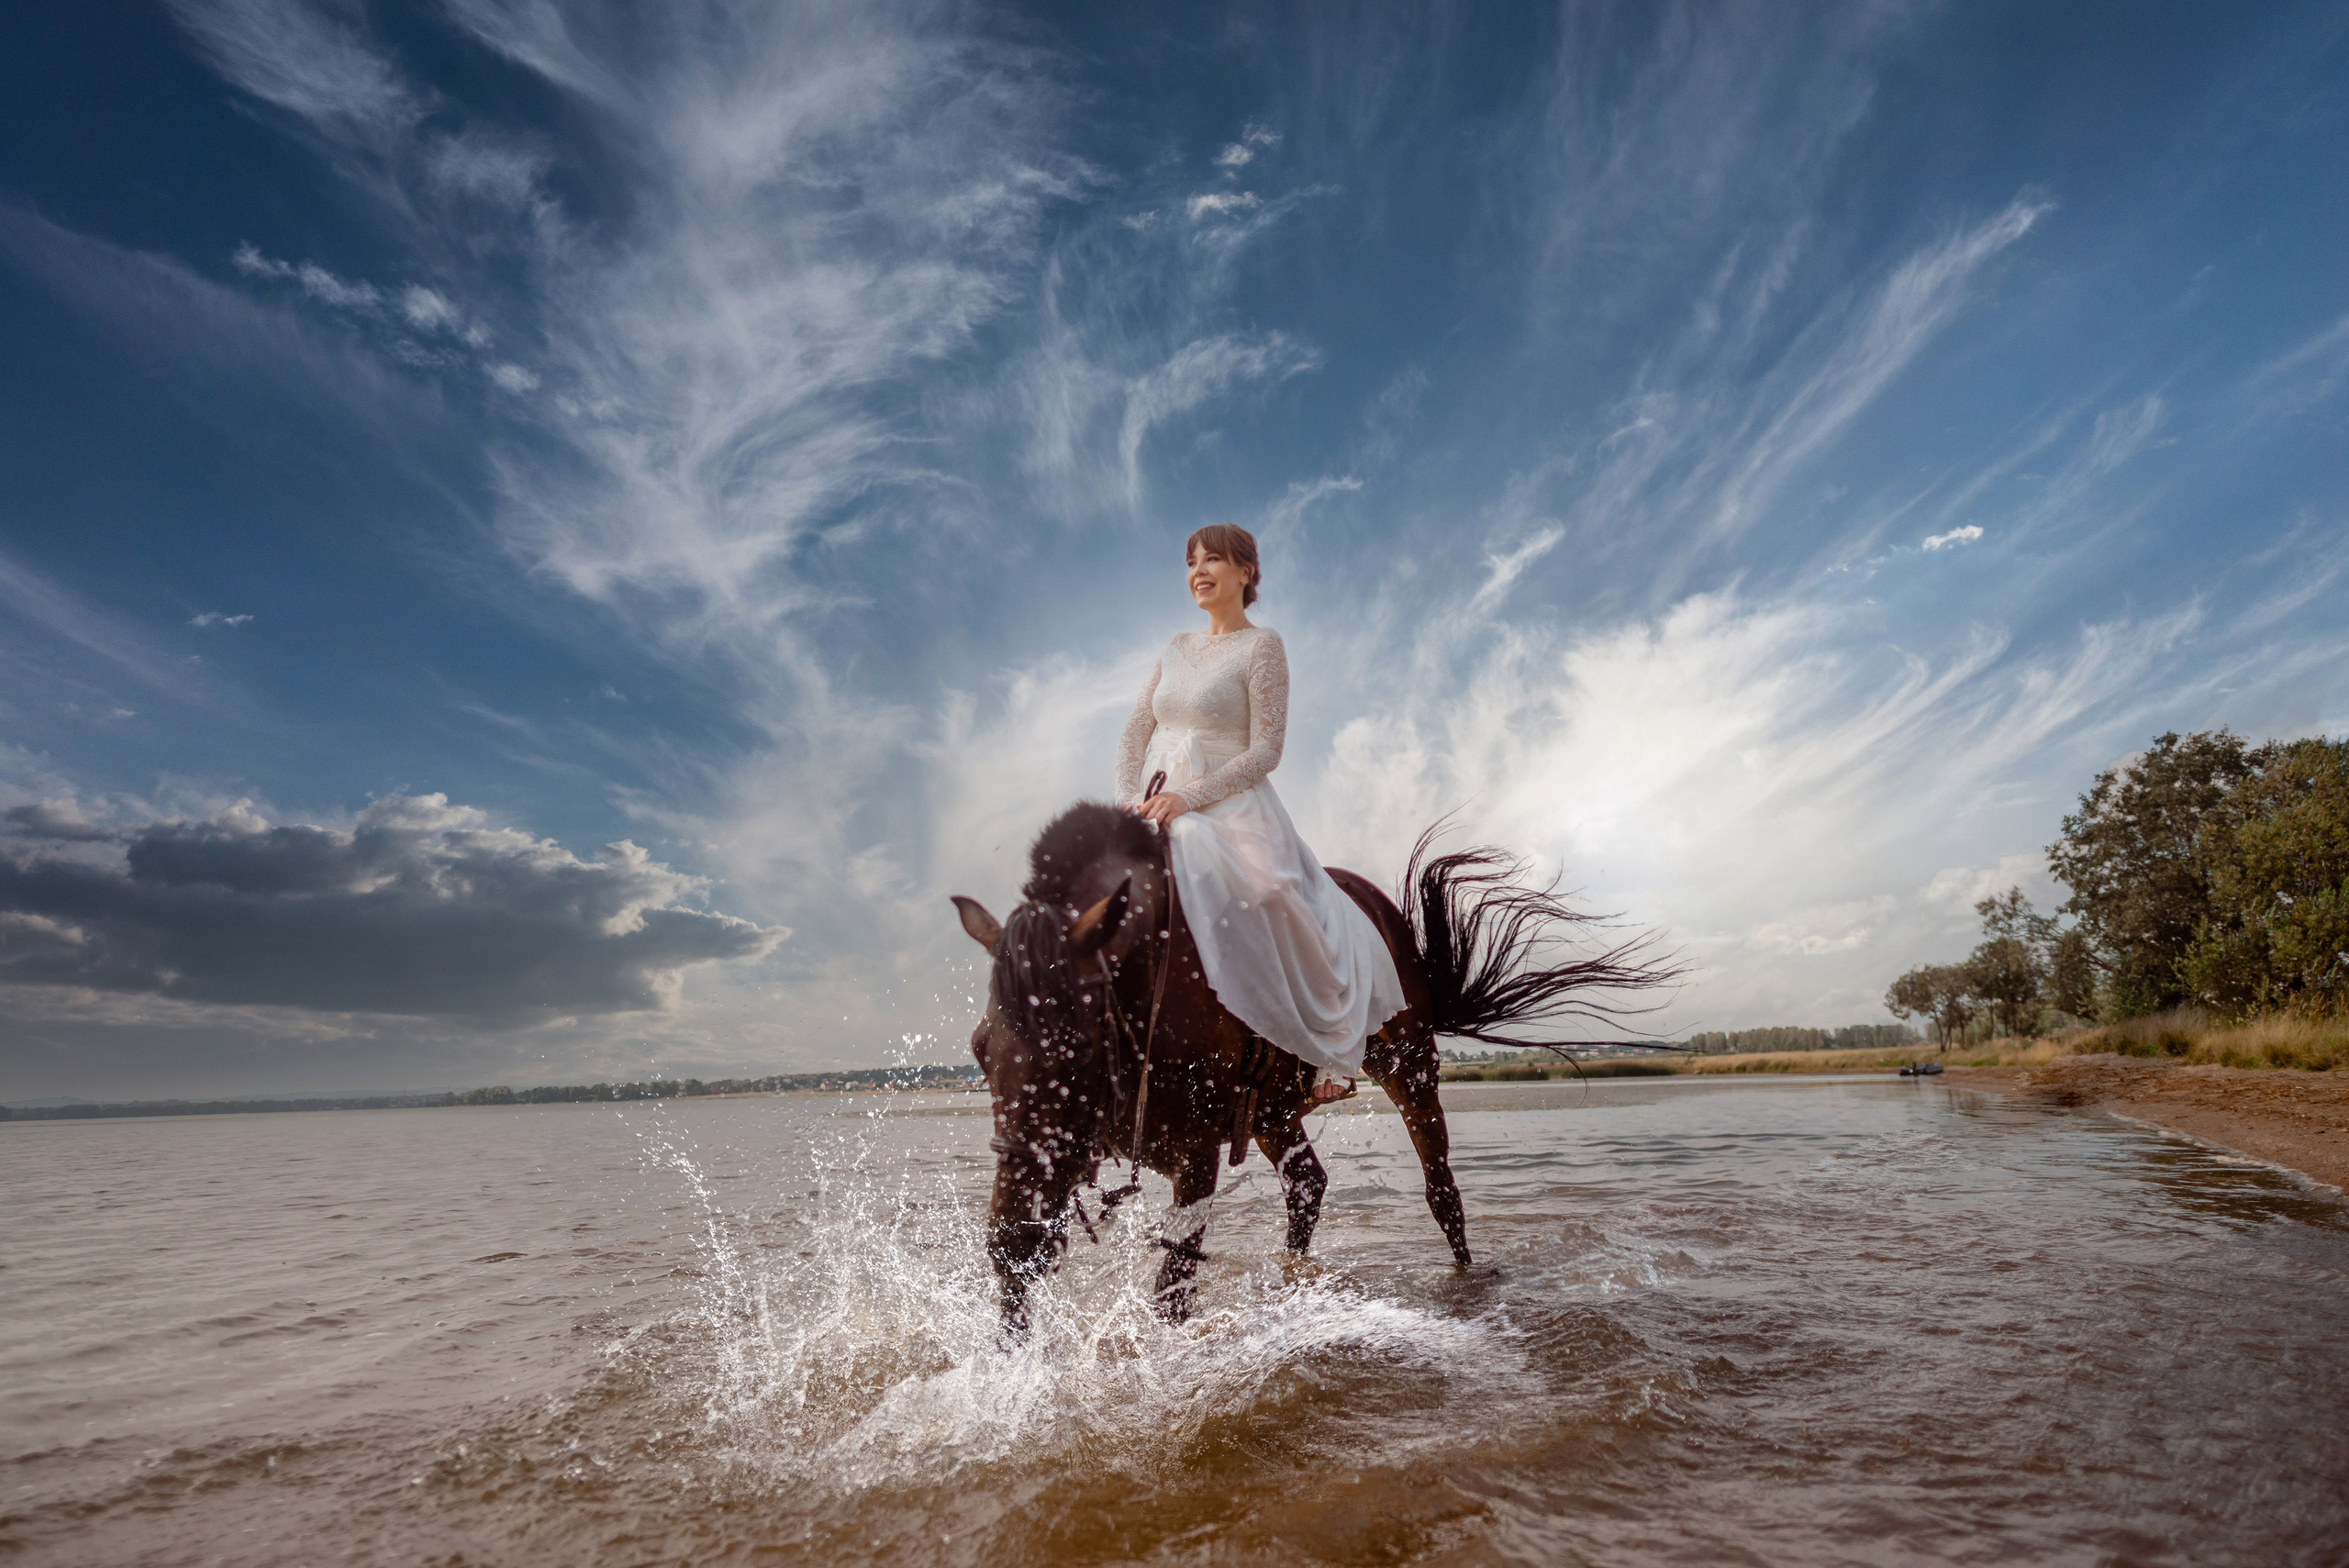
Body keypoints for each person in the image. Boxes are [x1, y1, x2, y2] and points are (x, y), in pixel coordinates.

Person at [1114, 523, 1406, 1106]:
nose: (1199, 570)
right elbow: (1134, 732)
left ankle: (1329, 1048)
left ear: (1246, 573)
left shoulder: (1262, 646)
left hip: (1228, 802)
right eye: (1191, 560)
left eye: (1214, 559)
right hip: (1154, 799)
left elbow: (1266, 750)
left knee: (1272, 892)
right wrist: (1130, 800)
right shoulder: (1174, 648)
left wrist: (1189, 799)